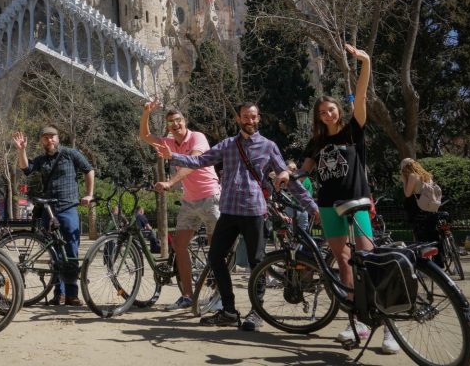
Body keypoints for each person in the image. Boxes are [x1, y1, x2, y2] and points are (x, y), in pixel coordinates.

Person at [155, 102, 318, 332]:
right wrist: (173, 155)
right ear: (239, 119)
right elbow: (201, 160)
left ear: (258, 118)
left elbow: (286, 177)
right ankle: (229, 310)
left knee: (257, 263)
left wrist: (311, 206)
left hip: (253, 211)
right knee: (215, 257)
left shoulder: (268, 146)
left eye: (253, 117)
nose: (249, 121)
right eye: (245, 117)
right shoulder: (228, 145)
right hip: (229, 210)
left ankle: (256, 312)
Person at [300, 44, 398, 354]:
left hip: (356, 201)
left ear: (339, 110)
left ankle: (388, 328)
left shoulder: (353, 131)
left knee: (368, 262)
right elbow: (304, 169)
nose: (327, 114)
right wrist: (287, 175)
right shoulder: (317, 142)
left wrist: (365, 63)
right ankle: (358, 322)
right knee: (343, 263)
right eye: (321, 112)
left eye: (330, 109)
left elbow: (362, 94)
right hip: (329, 206)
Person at [141, 101, 219, 311]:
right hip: (189, 200)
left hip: (209, 196)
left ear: (185, 122)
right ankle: (187, 295)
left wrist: (170, 182)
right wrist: (146, 113)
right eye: (170, 122)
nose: (175, 125)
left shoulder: (197, 137)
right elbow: (145, 136)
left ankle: (219, 296)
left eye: (178, 121)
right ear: (168, 127)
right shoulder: (169, 142)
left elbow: (193, 163)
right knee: (179, 245)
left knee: (217, 249)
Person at [12, 126, 94, 306]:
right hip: (48, 210)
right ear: (41, 141)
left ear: (58, 138)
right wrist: (22, 150)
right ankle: (59, 293)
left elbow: (89, 170)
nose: (50, 141)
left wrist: (89, 194)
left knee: (71, 250)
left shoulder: (71, 154)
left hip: (68, 207)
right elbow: (26, 168)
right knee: (54, 253)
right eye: (45, 138)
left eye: (52, 137)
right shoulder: (42, 159)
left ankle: (72, 294)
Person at [400, 158, 443, 267]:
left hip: (419, 209)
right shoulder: (426, 175)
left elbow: (407, 194)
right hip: (430, 207)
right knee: (433, 235)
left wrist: (404, 181)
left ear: (405, 168)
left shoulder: (413, 176)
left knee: (421, 236)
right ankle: (439, 262)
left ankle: (425, 265)